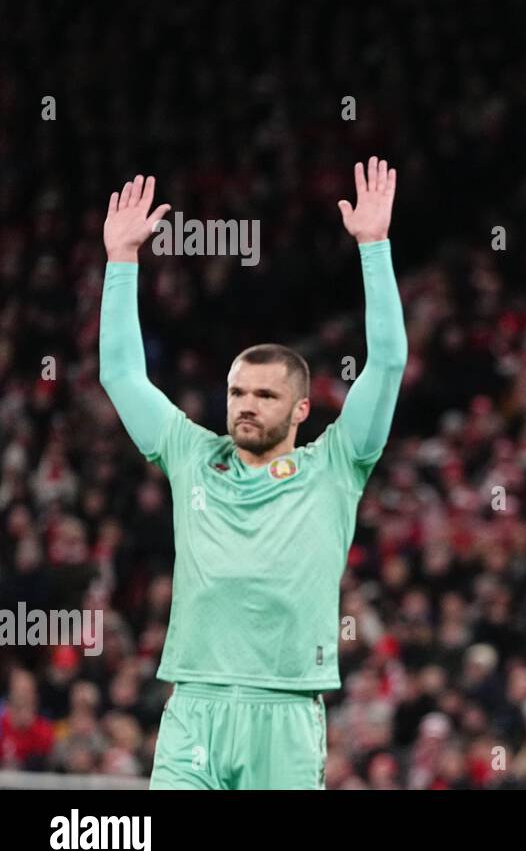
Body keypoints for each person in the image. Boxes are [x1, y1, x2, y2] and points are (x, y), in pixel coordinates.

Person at [98, 158, 407, 788]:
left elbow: (388, 362)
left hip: (286, 711)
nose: (244, 404)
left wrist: (374, 248)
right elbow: (122, 376)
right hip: (194, 708)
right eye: (238, 392)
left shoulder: (336, 463)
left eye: (264, 396)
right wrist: (121, 261)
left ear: (300, 408)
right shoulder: (191, 454)